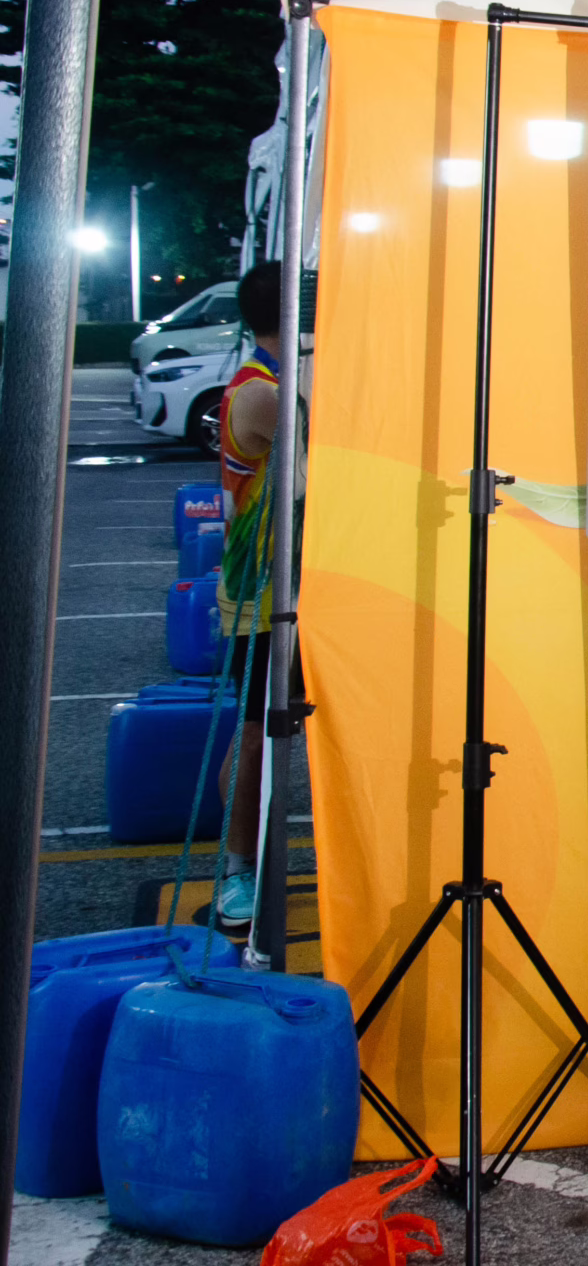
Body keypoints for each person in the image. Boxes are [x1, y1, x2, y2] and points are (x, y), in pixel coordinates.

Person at [213, 259, 289, 930]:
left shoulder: (269, 382)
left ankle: (247, 863)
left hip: (278, 589)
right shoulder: (262, 393)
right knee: (257, 737)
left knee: (268, 731)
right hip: (259, 594)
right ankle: (236, 872)